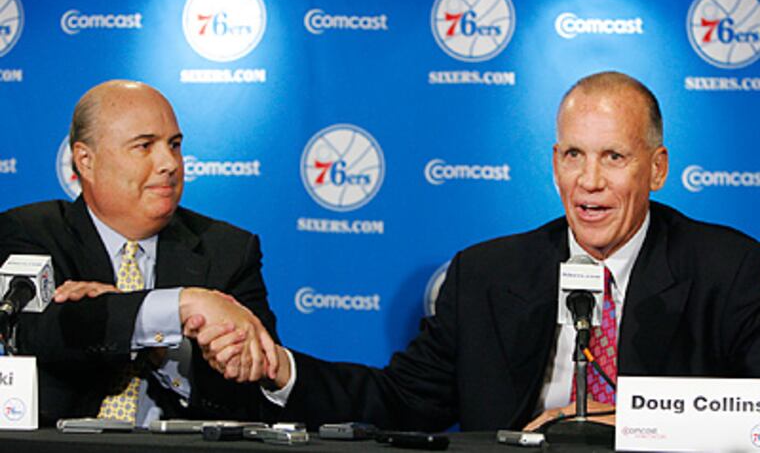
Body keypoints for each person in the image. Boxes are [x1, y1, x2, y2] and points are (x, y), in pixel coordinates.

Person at [199, 71, 760, 432]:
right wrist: (282, 370)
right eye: (573, 156)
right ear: (553, 162)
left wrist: (615, 421)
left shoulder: (727, 270)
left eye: (613, 157)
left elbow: (752, 413)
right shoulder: (488, 274)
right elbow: (399, 401)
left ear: (657, 168)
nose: (589, 181)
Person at [0, 80, 280, 426]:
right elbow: (38, 333)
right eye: (144, 146)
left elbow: (257, 384)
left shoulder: (228, 250)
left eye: (174, 145)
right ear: (85, 160)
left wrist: (157, 344)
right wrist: (181, 305)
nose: (169, 163)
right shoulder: (31, 231)